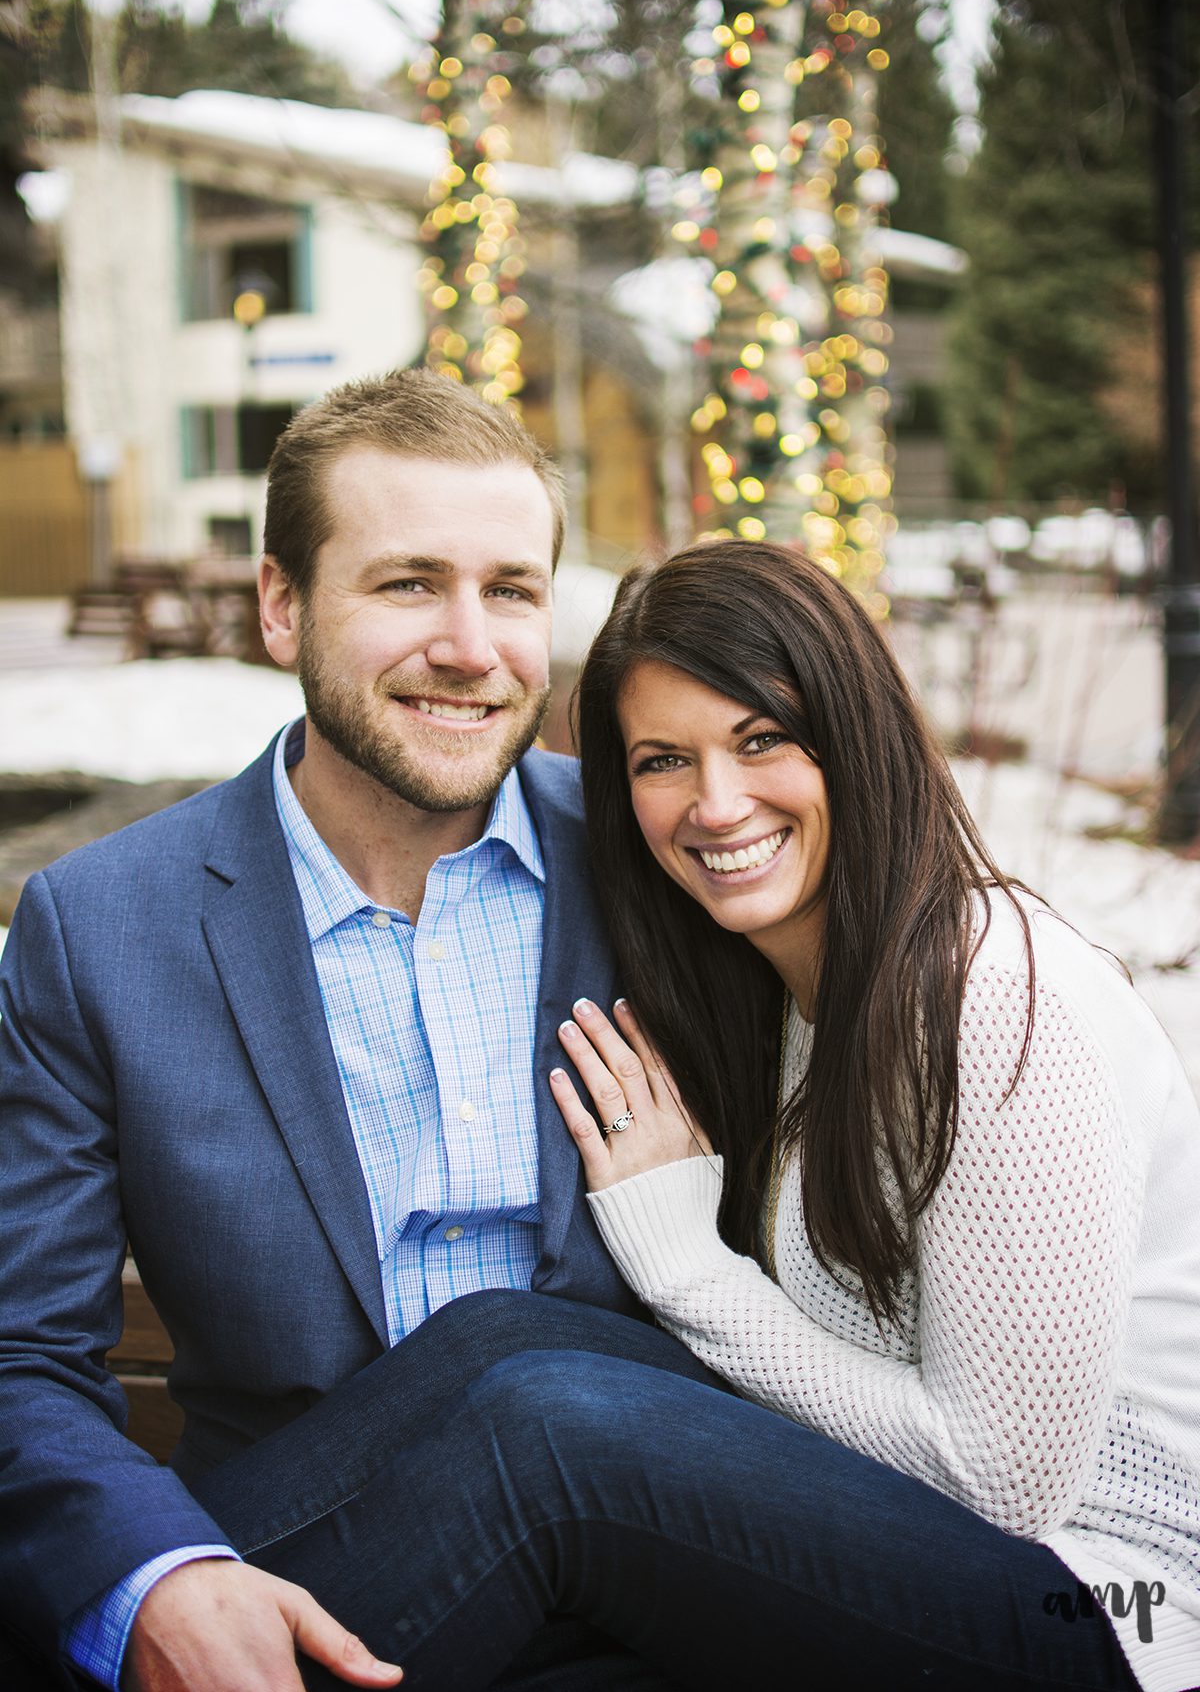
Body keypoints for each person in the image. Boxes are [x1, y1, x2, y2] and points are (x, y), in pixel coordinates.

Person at [274, 539, 1200, 1692]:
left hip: (1110, 1606)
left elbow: (1002, 1484)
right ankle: (153, 1586)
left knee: (551, 1432)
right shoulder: (797, 995)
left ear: (852, 737)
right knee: (497, 1341)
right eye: (665, 760)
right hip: (937, 1564)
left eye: (761, 739)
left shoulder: (1003, 994)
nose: (716, 804)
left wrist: (688, 1269)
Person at [0, 370, 723, 1692]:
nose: (470, 644)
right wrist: (169, 1576)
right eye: (407, 585)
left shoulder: (660, 854)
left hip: (657, 1570)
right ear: (283, 606)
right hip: (320, 1570)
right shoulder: (104, 930)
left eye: (510, 590)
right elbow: (17, 1355)